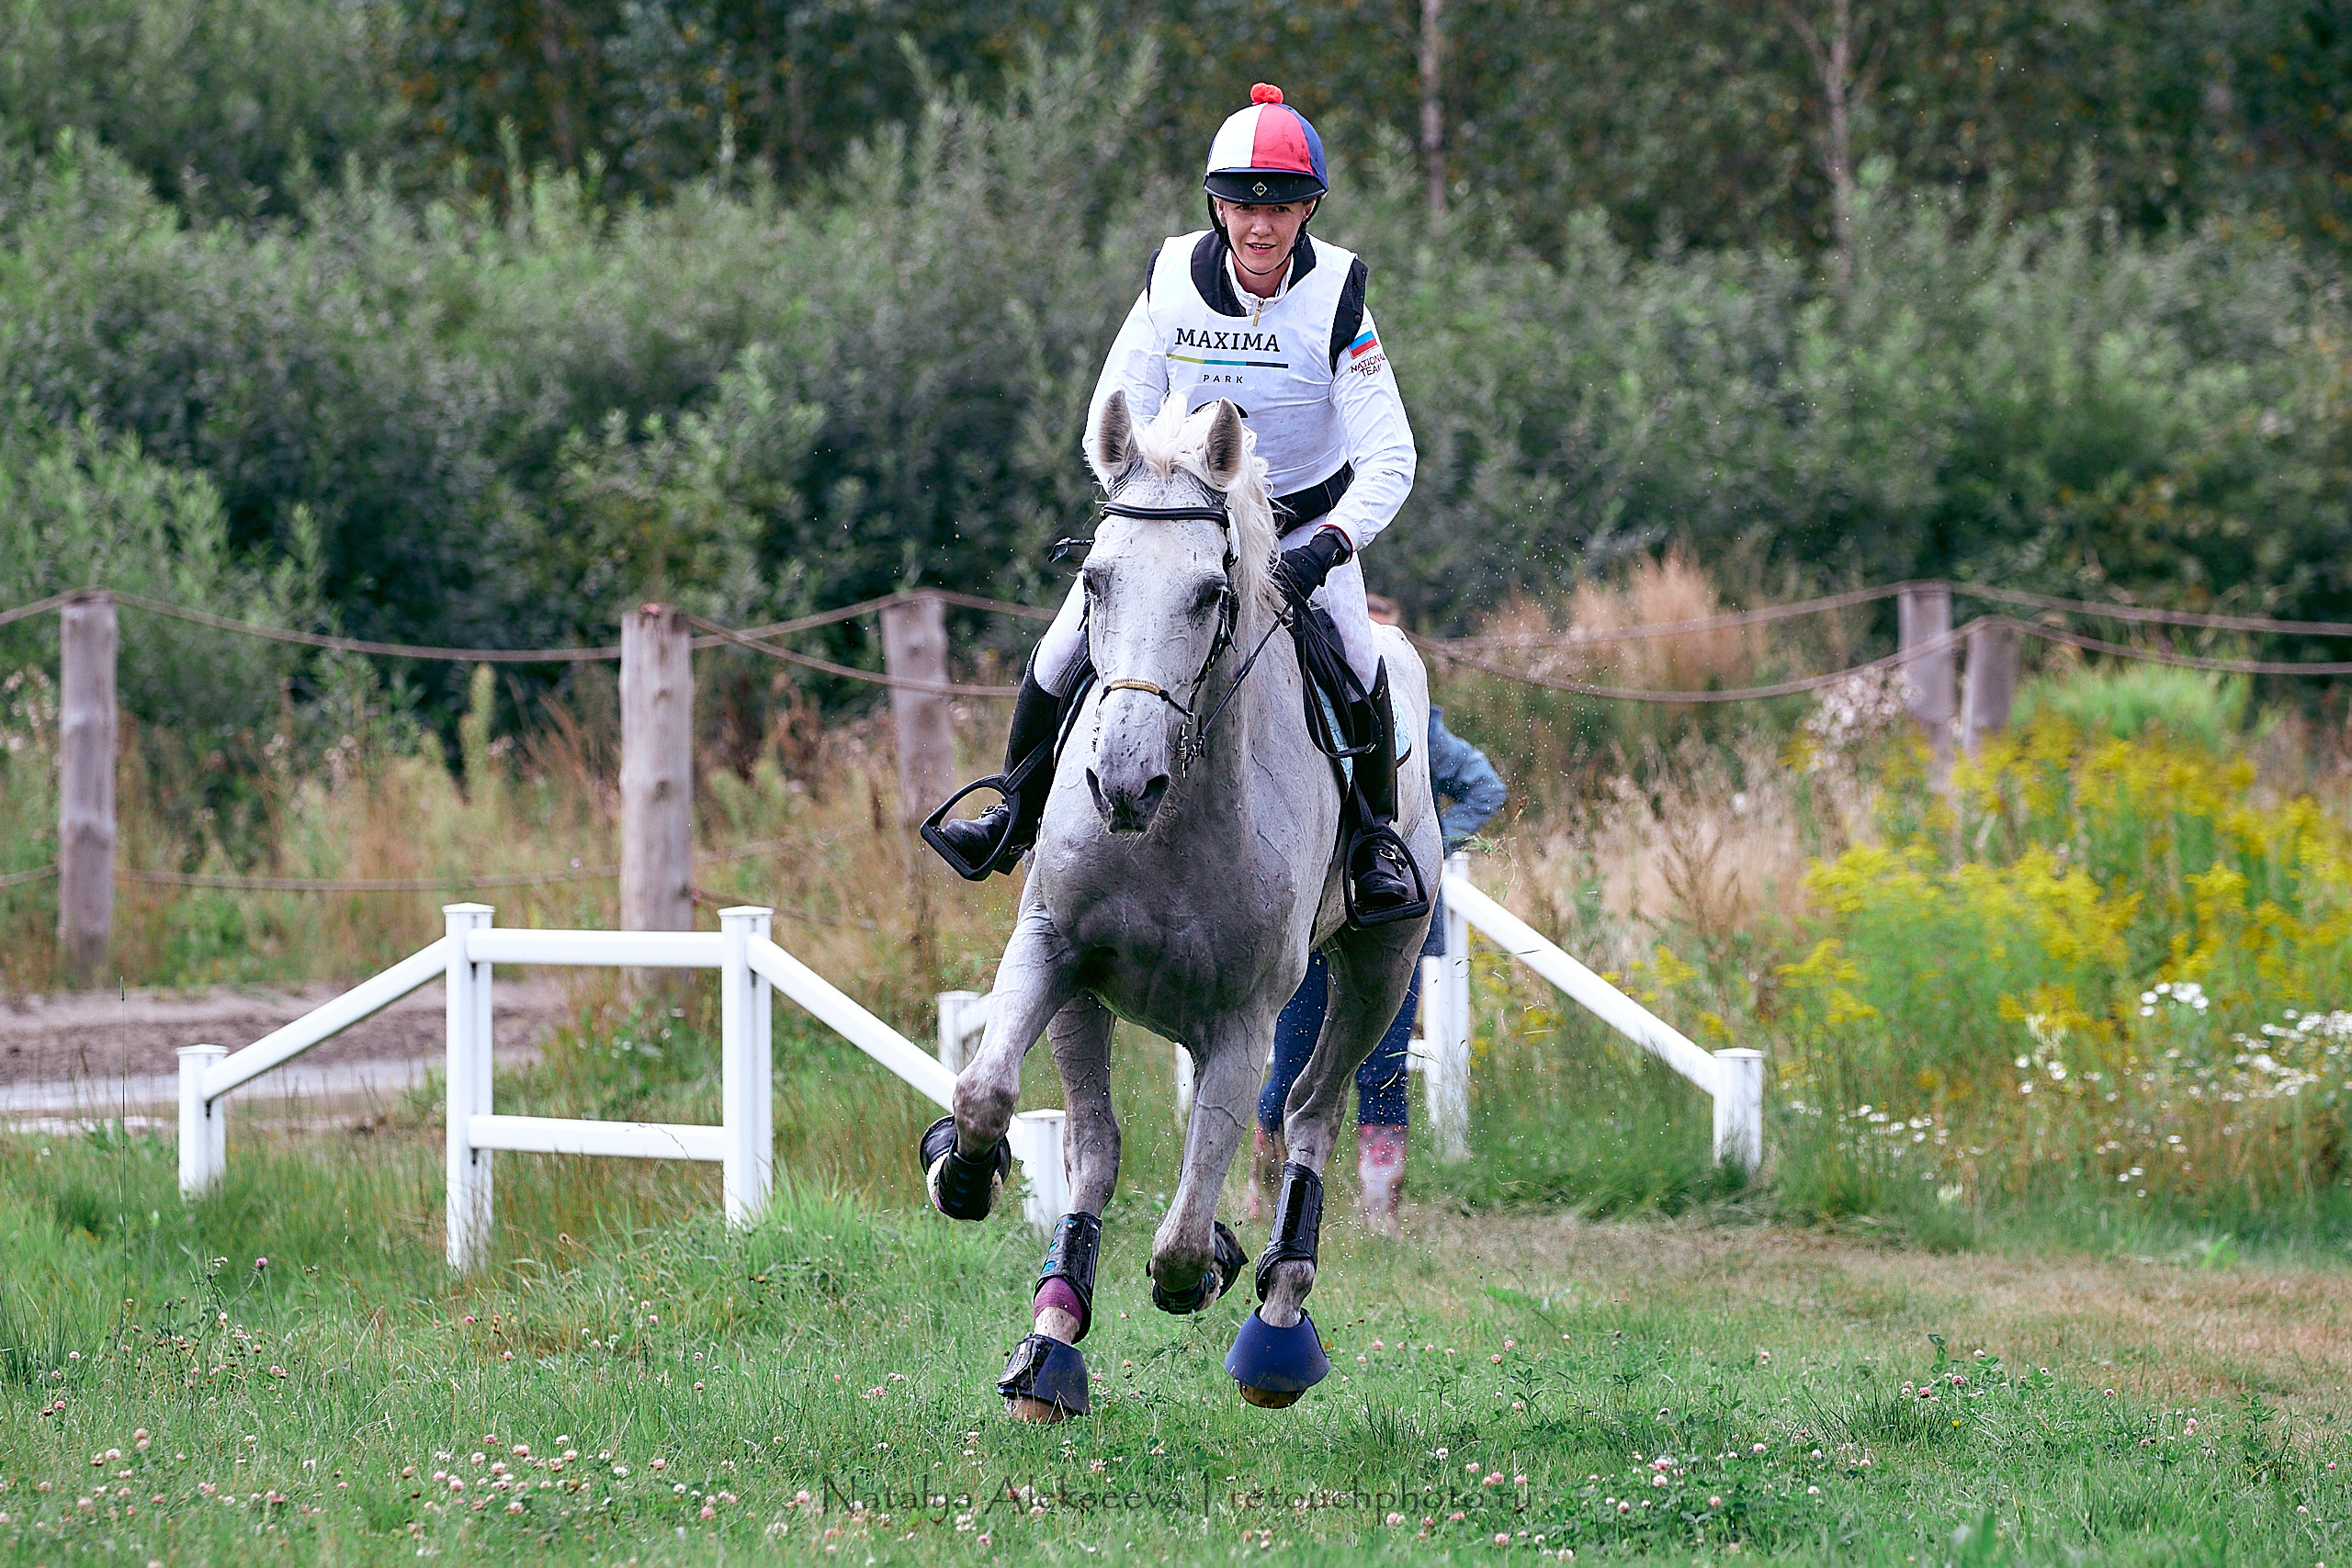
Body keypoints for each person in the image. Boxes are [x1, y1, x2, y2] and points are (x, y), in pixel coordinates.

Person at [924, 83, 1425, 925]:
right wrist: (1141, 496)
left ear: (1307, 211)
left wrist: (1329, 545)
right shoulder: (1170, 279)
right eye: (1240, 206)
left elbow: (1392, 456)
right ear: (1217, 206)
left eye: (1280, 208)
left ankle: (1374, 841)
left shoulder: (1340, 297)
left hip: (1301, 529)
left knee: (1360, 658)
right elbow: (1107, 416)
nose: (1258, 227)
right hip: (1186, 520)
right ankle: (1012, 810)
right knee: (1059, 651)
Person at [1251, 655, 1506, 1233]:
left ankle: (1379, 1217)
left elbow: (1487, 788)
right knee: (1291, 1062)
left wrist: (1429, 844)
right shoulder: (1303, 710)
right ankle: (1262, 1200)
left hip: (1393, 921)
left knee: (1383, 1068)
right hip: (1316, 918)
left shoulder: (1421, 724)